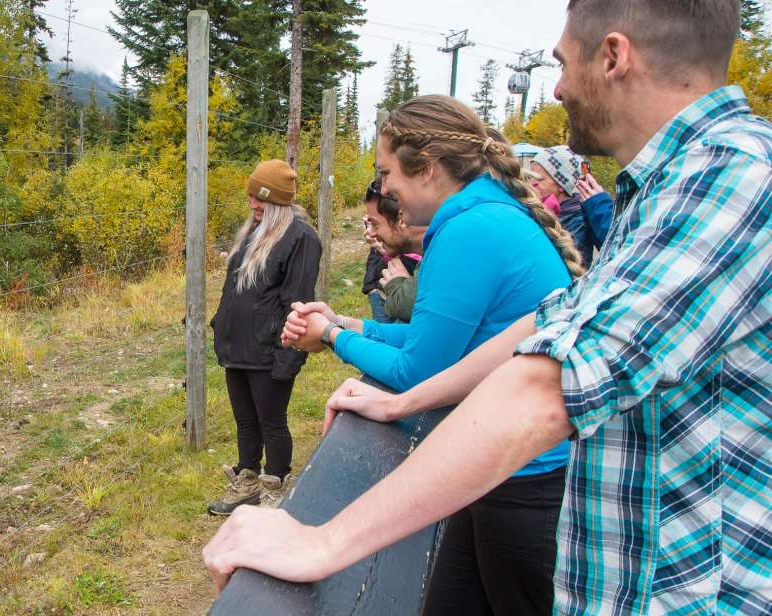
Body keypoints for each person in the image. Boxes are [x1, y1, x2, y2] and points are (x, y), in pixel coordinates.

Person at [204, 2, 772, 614]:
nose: (555, 86)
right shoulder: (666, 186)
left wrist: (322, 542)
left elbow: (544, 386)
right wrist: (398, 397)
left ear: (613, 56)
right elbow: (546, 327)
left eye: (560, 62)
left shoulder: (733, 176)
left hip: (676, 587)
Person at [280, 94, 583, 615]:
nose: (386, 188)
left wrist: (332, 338)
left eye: (388, 172)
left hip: (524, 475)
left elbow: (420, 369)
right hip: (495, 457)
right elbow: (437, 340)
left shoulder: (469, 229)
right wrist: (350, 324)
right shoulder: (483, 215)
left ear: (428, 170)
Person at [207, 160, 321, 516]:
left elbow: (298, 302)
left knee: (272, 421)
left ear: (279, 202)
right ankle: (247, 482)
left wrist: (288, 356)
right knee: (244, 421)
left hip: (270, 349)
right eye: (251, 196)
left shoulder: (301, 239)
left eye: (261, 199)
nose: (253, 205)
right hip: (237, 346)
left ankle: (276, 485)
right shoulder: (254, 232)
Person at [529, 145, 613, 267]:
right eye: (530, 177)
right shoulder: (534, 209)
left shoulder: (578, 219)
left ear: (562, 184)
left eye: (540, 179)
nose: (532, 184)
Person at [360, 179, 424, 323]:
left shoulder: (440, 260)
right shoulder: (433, 252)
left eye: (374, 224)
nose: (369, 233)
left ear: (401, 219)